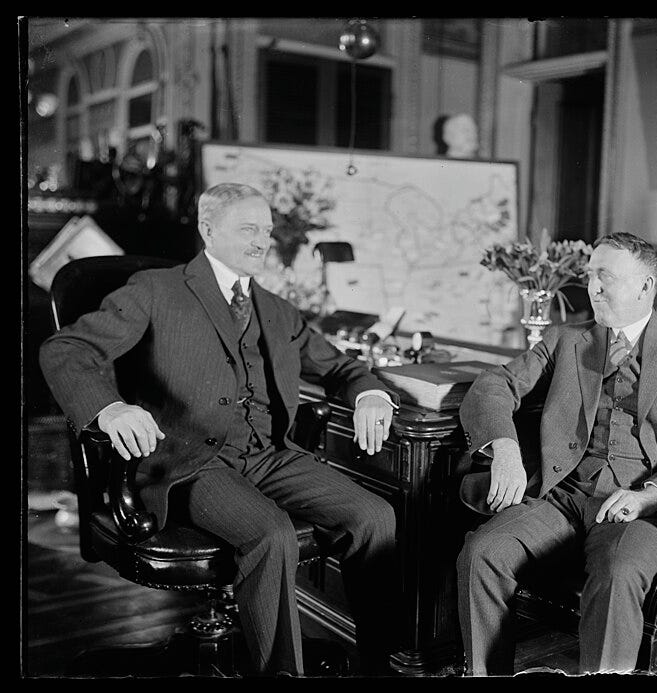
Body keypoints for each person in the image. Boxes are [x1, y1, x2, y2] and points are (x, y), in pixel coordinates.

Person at [39, 183, 401, 677]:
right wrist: (110, 408)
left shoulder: (278, 310)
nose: (261, 241)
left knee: (375, 516)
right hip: (192, 461)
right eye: (248, 229)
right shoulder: (155, 290)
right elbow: (67, 350)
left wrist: (370, 395)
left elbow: (341, 367)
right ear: (208, 230)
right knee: (271, 535)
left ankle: (380, 667)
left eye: (266, 231)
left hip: (270, 456)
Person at [455, 232, 657, 674]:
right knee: (482, 553)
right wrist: (505, 449)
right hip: (565, 495)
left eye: (605, 277)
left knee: (618, 575)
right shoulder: (566, 339)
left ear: (645, 286)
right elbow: (494, 384)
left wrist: (648, 496)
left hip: (645, 509)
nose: (592, 288)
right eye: (590, 276)